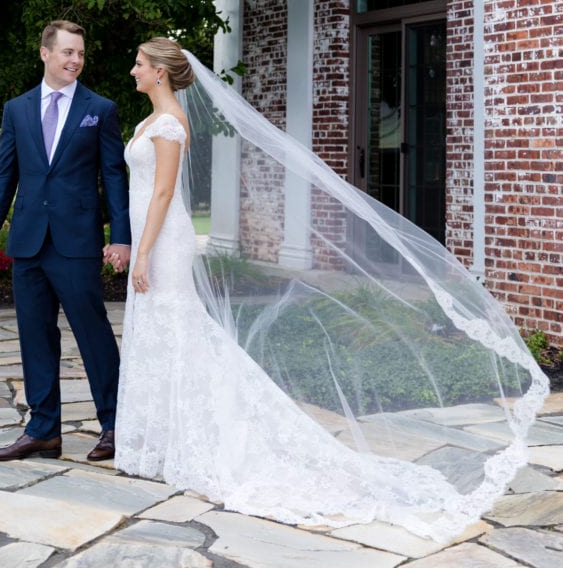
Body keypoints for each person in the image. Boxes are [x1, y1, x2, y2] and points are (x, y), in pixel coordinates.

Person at [114, 37, 548, 542]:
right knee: (163, 331)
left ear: (161, 73)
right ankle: (164, 440)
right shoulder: (151, 120)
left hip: (164, 241)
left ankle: (194, 440)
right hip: (152, 234)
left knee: (177, 328)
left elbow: (165, 191)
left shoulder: (168, 125)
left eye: (139, 63)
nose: (133, 70)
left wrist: (143, 252)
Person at [0, 19, 131, 463]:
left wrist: (122, 237)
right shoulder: (17, 110)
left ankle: (116, 425)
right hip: (27, 244)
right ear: (45, 53)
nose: (75, 60)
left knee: (93, 335)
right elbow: (5, 176)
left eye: (80, 53)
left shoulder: (100, 107)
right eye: (67, 53)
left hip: (77, 243)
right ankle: (43, 430)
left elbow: (114, 178)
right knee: (34, 337)